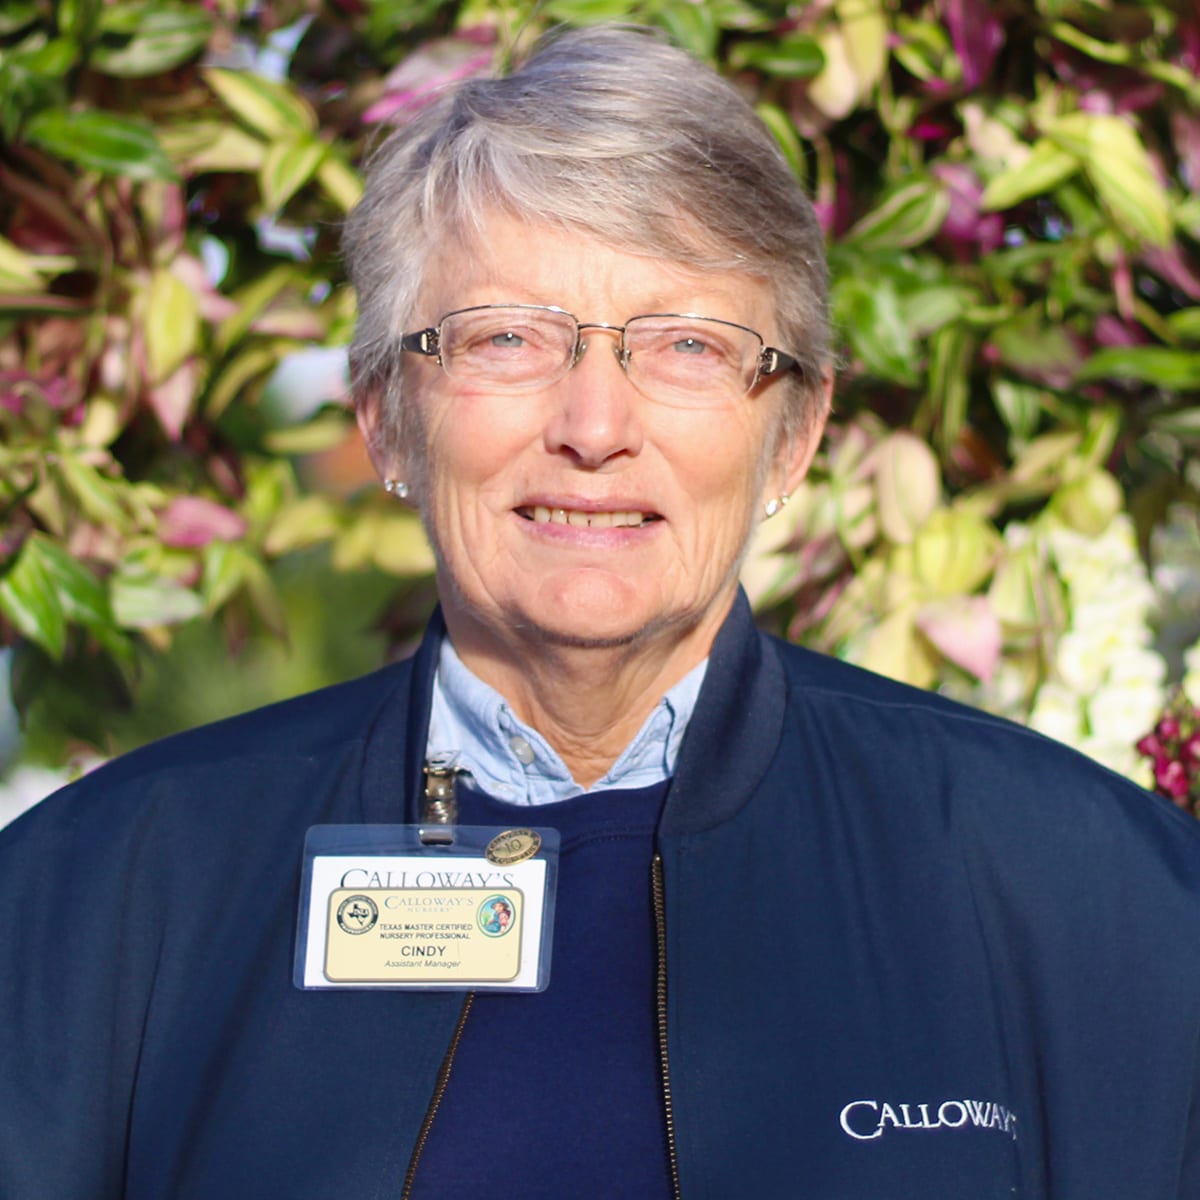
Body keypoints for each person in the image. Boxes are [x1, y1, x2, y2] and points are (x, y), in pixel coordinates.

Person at [2, 23, 1200, 1200]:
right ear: (384, 418)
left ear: (795, 435)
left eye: (685, 345)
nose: (593, 425)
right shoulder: (91, 902)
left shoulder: (1097, 897)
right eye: (506, 337)